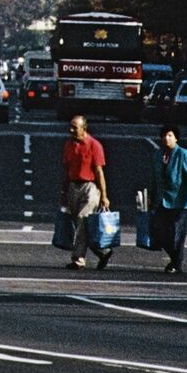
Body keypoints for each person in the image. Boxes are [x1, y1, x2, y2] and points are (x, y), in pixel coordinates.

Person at [146, 124, 187, 274]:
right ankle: (175, 260)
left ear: (176, 138)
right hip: (161, 201)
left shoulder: (183, 155)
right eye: (164, 136)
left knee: (176, 234)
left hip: (180, 203)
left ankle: (176, 264)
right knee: (159, 232)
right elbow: (154, 178)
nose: (166, 138)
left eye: (170, 135)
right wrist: (150, 197)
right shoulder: (157, 155)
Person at [62, 114, 112, 270]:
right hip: (73, 186)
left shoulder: (94, 145)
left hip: (89, 187)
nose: (71, 130)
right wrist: (63, 191)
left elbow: (99, 172)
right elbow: (66, 169)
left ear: (84, 128)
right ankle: (102, 252)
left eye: (75, 127)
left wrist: (104, 195)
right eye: (70, 126)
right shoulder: (69, 145)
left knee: (83, 220)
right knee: (80, 224)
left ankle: (78, 259)